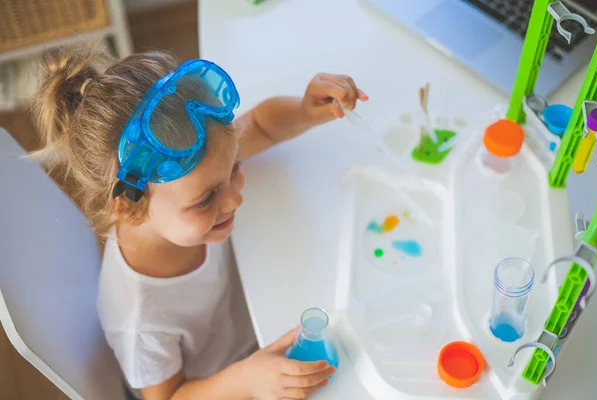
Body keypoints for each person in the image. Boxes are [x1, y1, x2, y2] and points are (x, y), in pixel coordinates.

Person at [33, 48, 368, 400]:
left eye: (235, 167)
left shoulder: (195, 172)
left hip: (248, 322)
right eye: (207, 198)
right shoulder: (139, 317)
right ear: (130, 209)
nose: (235, 199)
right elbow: (168, 397)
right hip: (221, 381)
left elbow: (260, 127)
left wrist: (304, 111)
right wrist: (247, 380)